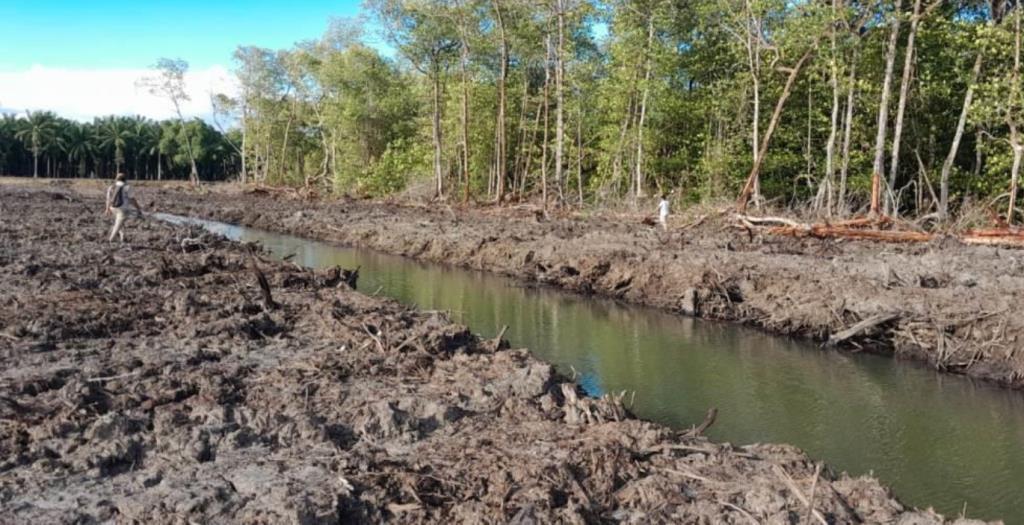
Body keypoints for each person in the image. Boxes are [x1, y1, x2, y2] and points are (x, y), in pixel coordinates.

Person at [105, 173, 144, 242]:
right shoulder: (127, 187)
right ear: (125, 179)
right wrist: (138, 208)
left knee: (119, 223)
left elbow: (108, 199)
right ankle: (111, 239)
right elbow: (132, 199)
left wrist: (107, 209)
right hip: (122, 209)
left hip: (113, 208)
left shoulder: (111, 187)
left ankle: (122, 236)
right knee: (118, 225)